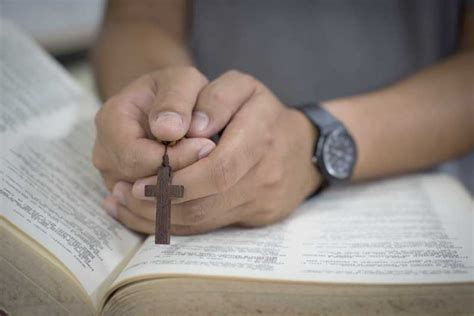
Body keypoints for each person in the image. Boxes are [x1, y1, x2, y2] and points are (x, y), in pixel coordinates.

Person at [92, 0, 474, 235]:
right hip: (207, 159)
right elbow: (137, 18)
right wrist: (159, 100)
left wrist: (314, 142)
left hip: (418, 189)